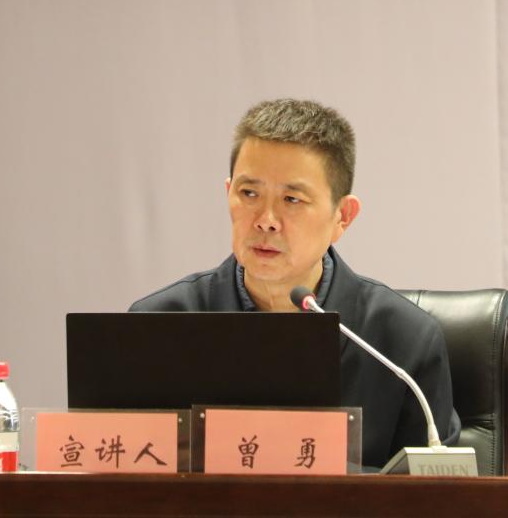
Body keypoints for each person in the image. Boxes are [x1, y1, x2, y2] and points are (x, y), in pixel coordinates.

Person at [129, 98, 460, 469]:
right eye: (249, 194)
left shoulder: (403, 343)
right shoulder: (157, 326)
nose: (266, 220)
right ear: (228, 194)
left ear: (343, 216)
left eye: (291, 199)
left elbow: (433, 493)